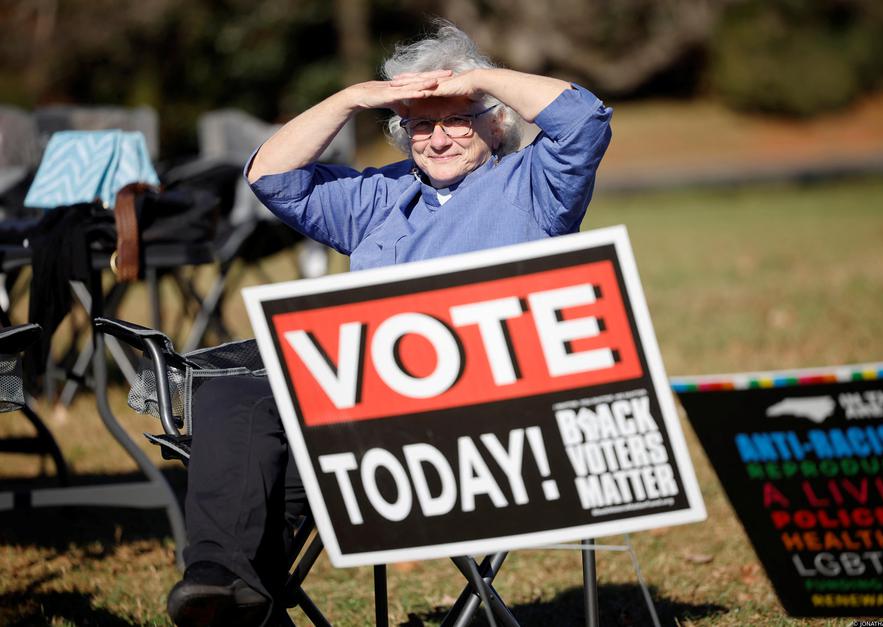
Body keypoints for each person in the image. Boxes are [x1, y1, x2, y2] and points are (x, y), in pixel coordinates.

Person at [167, 20, 611, 627]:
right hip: (367, 420)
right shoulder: (381, 196)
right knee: (236, 403)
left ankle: (235, 591)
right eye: (421, 124)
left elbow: (585, 121)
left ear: (496, 121)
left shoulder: (534, 186)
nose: (439, 138)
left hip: (485, 429)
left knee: (260, 483)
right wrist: (353, 98)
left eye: (459, 118)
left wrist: (474, 78)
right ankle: (218, 585)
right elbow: (269, 176)